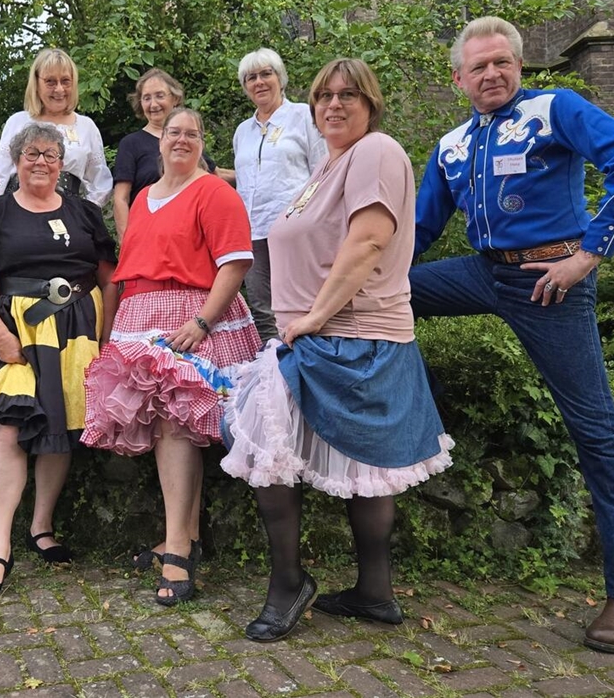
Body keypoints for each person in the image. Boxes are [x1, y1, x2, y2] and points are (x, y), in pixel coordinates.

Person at [410, 17, 614, 653]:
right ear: (457, 78)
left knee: (596, 431)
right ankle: (415, 413)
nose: (491, 73)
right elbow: (418, 231)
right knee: (386, 296)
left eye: (502, 62)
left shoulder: (556, 110)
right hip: (481, 273)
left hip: (552, 282)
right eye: (478, 66)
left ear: (520, 67)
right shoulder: (450, 146)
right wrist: (352, 280)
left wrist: (586, 257)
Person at [221, 58, 454, 641]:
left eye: (349, 95)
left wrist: (315, 317)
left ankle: (288, 584)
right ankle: (375, 593)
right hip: (336, 336)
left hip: (349, 335)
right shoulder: (330, 165)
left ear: (372, 104)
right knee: (357, 461)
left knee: (268, 450)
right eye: (324, 95)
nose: (334, 104)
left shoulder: (375, 152)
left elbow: (370, 238)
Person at [84, 107, 262, 606]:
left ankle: (179, 549)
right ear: (158, 141)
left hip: (192, 315)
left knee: (177, 426)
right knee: (168, 426)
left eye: (192, 134)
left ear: (203, 143)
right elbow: (130, 268)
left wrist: (203, 321)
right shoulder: (142, 198)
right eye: (173, 133)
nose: (181, 140)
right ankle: (186, 537)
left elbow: (235, 263)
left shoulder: (214, 192)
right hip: (142, 316)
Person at [0, 122, 117, 607]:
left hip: (77, 332)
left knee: (62, 425)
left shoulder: (84, 212)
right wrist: (2, 335)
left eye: (51, 155)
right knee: (11, 426)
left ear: (62, 162)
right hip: (19, 333)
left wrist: (105, 335)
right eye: (32, 153)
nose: (42, 162)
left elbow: (111, 277)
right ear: (17, 158)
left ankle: (41, 527)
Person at [233, 48, 327, 342]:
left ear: (280, 78)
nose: (259, 82)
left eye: (266, 74)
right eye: (251, 77)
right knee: (261, 308)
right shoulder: (242, 131)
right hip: (254, 232)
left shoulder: (303, 116)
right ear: (245, 86)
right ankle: (271, 374)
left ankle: (304, 370)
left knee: (300, 304)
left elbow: (323, 171)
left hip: (294, 230)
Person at [0, 48, 113, 206]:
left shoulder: (86, 127)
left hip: (69, 215)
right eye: (50, 81)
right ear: (36, 83)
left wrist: (86, 214)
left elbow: (100, 182)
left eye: (65, 81)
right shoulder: (18, 122)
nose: (59, 89)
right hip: (18, 213)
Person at [110, 69, 230, 241]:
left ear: (175, 99)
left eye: (159, 95)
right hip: (149, 235)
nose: (153, 104)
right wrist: (127, 243)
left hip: (193, 234)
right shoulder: (131, 144)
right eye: (146, 98)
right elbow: (121, 198)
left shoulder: (189, 140)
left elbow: (215, 176)